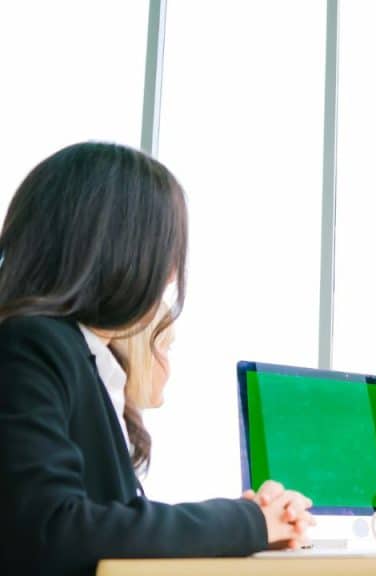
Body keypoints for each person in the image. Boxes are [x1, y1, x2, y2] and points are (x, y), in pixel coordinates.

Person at [0, 142, 314, 575]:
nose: (169, 275)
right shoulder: (32, 344)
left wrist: (255, 525)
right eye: (167, 251)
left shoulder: (83, 358)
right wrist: (248, 522)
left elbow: (102, 524)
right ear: (122, 248)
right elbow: (53, 529)